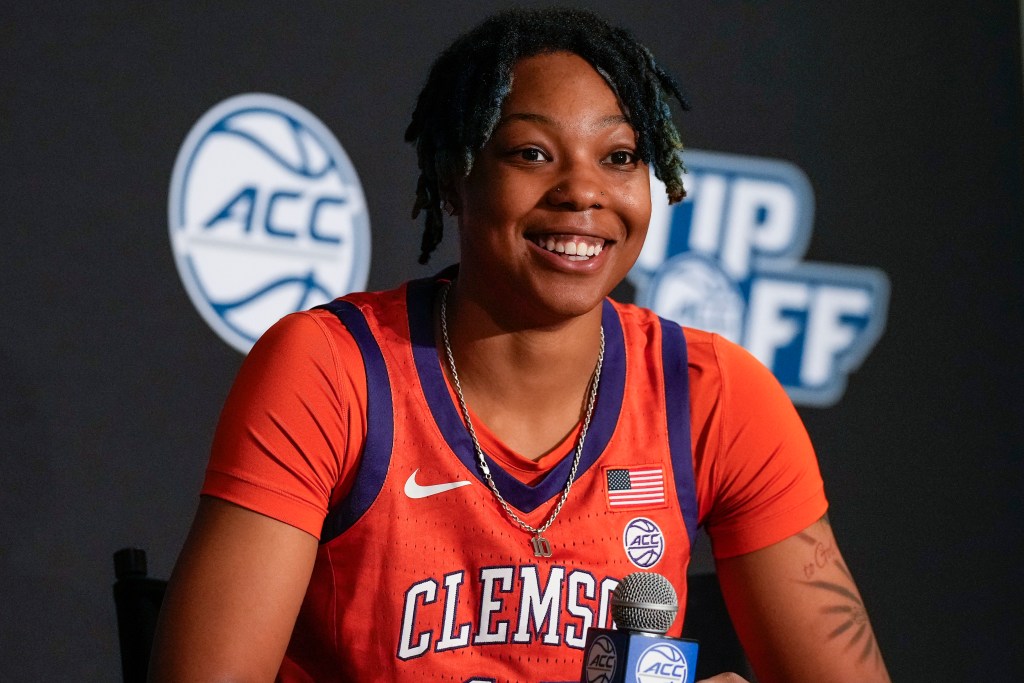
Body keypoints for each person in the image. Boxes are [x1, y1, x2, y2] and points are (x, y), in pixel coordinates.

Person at [150, 8, 890, 683]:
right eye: (532, 153)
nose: (583, 191)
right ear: (454, 178)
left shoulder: (710, 392)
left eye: (620, 156)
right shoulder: (332, 369)